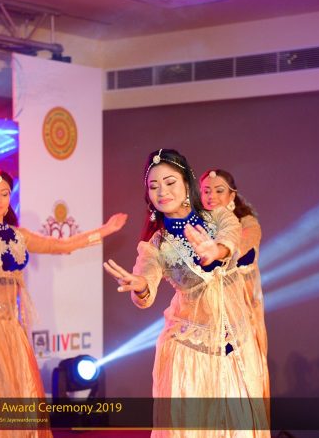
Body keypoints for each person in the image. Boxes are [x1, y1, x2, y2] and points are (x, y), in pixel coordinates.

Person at [0, 169, 126, 438]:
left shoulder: (18, 235)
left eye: (4, 194)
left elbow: (61, 246)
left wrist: (105, 230)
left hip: (9, 321)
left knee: (20, 386)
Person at [104, 149, 268, 437]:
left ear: (187, 183)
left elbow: (232, 235)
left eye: (170, 183)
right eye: (154, 186)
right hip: (190, 355)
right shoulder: (156, 244)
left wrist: (217, 250)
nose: (162, 192)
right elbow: (146, 276)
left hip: (237, 347)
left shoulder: (218, 217)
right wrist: (141, 285)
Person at [200, 168, 270, 402]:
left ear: (232, 195)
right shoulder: (195, 226)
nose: (211, 196)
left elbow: (242, 250)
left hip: (238, 313)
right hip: (205, 315)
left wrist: (217, 252)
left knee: (236, 386)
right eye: (206, 191)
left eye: (219, 191)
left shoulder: (247, 224)